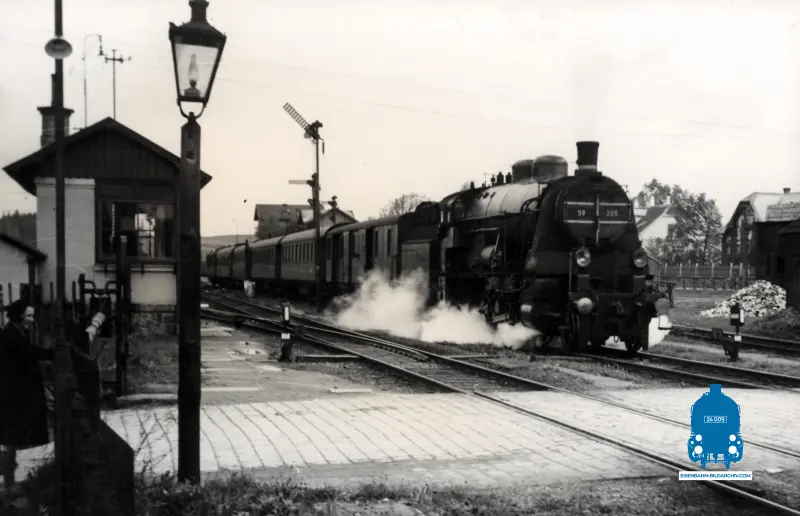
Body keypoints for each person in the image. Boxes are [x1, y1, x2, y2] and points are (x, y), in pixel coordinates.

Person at [0, 299, 54, 493]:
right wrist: (52, 353)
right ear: (20, 315)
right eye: (29, 316)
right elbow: (29, 353)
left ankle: (9, 482)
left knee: (11, 439)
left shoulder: (16, 332)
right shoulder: (11, 335)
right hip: (11, 395)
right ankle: (9, 484)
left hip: (14, 393)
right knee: (9, 440)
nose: (32, 320)